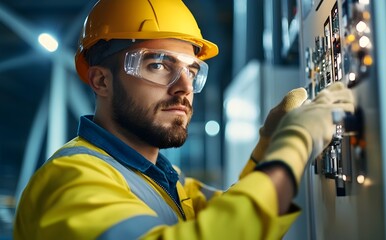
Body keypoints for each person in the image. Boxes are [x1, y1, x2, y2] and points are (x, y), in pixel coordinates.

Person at [13, 0, 355, 239]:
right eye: (158, 65)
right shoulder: (71, 180)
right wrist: (293, 149)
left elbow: (231, 225)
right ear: (101, 80)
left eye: (191, 71)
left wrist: (268, 150)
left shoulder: (164, 180)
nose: (184, 89)